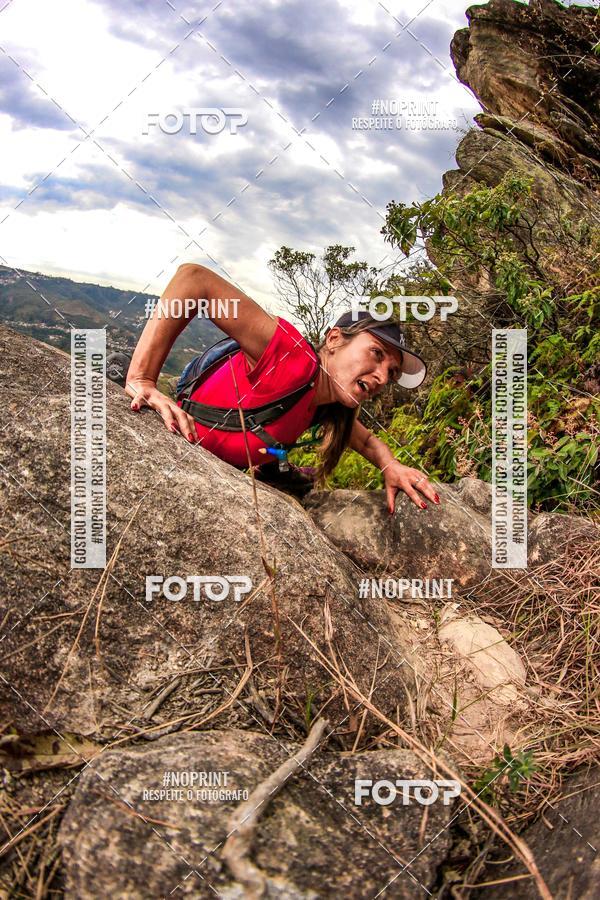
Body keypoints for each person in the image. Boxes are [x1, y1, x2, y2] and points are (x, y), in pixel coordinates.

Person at [124, 263, 440, 511]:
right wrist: (142, 379)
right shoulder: (292, 358)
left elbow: (368, 443)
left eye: (392, 371)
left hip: (222, 465)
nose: (383, 377)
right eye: (377, 353)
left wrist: (392, 467)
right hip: (180, 430)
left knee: (278, 448)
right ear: (333, 340)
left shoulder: (327, 405)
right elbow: (193, 279)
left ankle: (274, 466)